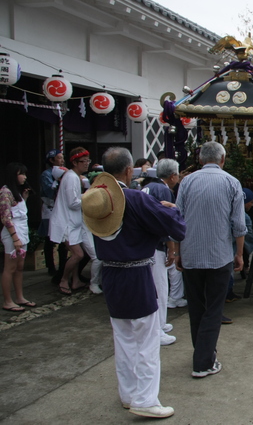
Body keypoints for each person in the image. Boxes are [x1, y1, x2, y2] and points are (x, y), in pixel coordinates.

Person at [84, 147, 186, 417]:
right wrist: (170, 209)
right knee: (146, 339)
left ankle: (129, 393)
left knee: (124, 337)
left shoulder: (95, 199)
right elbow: (177, 228)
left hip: (111, 274)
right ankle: (145, 398)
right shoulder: (135, 199)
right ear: (129, 170)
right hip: (137, 273)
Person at [176, 141, 247, 378]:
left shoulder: (187, 181)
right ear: (222, 159)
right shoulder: (231, 182)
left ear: (200, 160)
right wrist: (239, 254)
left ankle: (203, 353)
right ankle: (204, 362)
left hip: (191, 253)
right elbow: (238, 225)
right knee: (214, 309)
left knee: (196, 306)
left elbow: (177, 219)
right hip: (219, 255)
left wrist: (177, 251)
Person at [142, 158, 182, 345]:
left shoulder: (149, 186)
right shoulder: (164, 190)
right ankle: (156, 329)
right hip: (156, 244)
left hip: (147, 243)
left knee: (158, 286)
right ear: (172, 175)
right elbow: (166, 221)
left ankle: (161, 324)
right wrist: (172, 249)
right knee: (159, 287)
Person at [49, 147, 93, 295]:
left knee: (76, 254)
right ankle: (63, 279)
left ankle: (75, 280)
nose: (86, 164)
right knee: (78, 254)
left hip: (73, 222)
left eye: (88, 161)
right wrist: (88, 197)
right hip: (66, 222)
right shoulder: (71, 177)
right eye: (83, 161)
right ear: (75, 162)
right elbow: (72, 202)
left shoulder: (73, 176)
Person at [1, 162, 36, 312]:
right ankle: (8, 300)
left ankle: (20, 297)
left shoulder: (17, 192)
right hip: (12, 233)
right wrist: (15, 238)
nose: (24, 177)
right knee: (10, 267)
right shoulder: (5, 192)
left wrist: (25, 197)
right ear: (14, 175)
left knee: (19, 267)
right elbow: (5, 218)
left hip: (22, 230)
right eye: (22, 174)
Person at [39, 149, 67, 278]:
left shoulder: (65, 171)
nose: (62, 160)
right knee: (50, 239)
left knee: (63, 239)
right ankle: (50, 266)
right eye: (59, 157)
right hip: (50, 208)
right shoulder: (46, 174)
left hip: (61, 208)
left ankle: (63, 266)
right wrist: (58, 181)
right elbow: (50, 191)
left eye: (62, 157)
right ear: (51, 160)